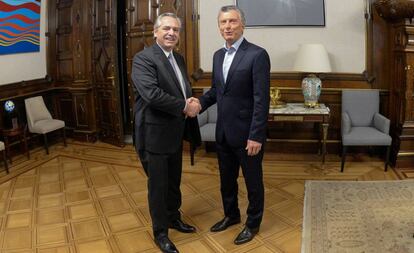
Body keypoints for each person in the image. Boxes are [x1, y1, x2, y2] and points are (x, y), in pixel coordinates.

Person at [197, 5, 270, 245]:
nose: (227, 26)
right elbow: (218, 91)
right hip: (223, 132)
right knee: (226, 180)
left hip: (248, 135)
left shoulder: (257, 55)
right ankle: (231, 215)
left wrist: (256, 135)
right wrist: (198, 104)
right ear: (219, 27)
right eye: (223, 22)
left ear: (242, 24)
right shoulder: (218, 55)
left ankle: (252, 223)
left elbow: (261, 99)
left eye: (232, 21)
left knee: (253, 183)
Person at [131, 12, 201, 253]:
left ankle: (174, 217)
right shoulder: (143, 59)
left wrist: (188, 98)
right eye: (166, 29)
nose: (171, 33)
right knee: (158, 187)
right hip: (153, 135)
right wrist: (185, 105)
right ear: (155, 32)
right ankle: (160, 233)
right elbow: (152, 95)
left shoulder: (178, 58)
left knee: (173, 182)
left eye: (176, 30)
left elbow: (178, 88)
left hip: (174, 133)